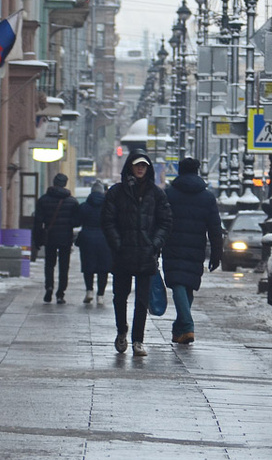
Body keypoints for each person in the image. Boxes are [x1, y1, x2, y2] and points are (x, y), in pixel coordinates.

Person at [101, 149, 172, 357]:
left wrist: (155, 244)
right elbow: (107, 221)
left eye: (144, 166)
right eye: (137, 165)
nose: (140, 169)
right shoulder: (116, 192)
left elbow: (166, 222)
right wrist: (118, 243)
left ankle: (138, 340)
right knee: (119, 297)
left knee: (142, 300)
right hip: (123, 254)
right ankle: (121, 331)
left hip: (146, 255)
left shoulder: (156, 194)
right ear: (130, 167)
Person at [162, 158, 224, 345]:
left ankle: (187, 326)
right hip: (196, 249)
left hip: (172, 247)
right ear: (197, 172)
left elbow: (160, 221)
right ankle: (180, 330)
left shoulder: (169, 194)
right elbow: (215, 228)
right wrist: (216, 254)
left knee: (178, 285)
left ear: (179, 171)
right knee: (187, 286)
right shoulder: (207, 197)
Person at [32, 172, 80, 304]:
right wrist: (68, 224)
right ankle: (60, 294)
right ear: (65, 184)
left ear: (53, 183)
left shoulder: (43, 200)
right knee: (64, 267)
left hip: (50, 237)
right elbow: (76, 221)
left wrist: (37, 240)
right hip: (65, 238)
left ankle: (49, 287)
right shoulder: (72, 202)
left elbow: (38, 222)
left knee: (49, 265)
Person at [76, 181, 112, 304]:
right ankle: (100, 295)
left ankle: (89, 291)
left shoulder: (84, 206)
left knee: (88, 266)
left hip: (87, 239)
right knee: (104, 268)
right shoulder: (108, 207)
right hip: (105, 240)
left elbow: (76, 222)